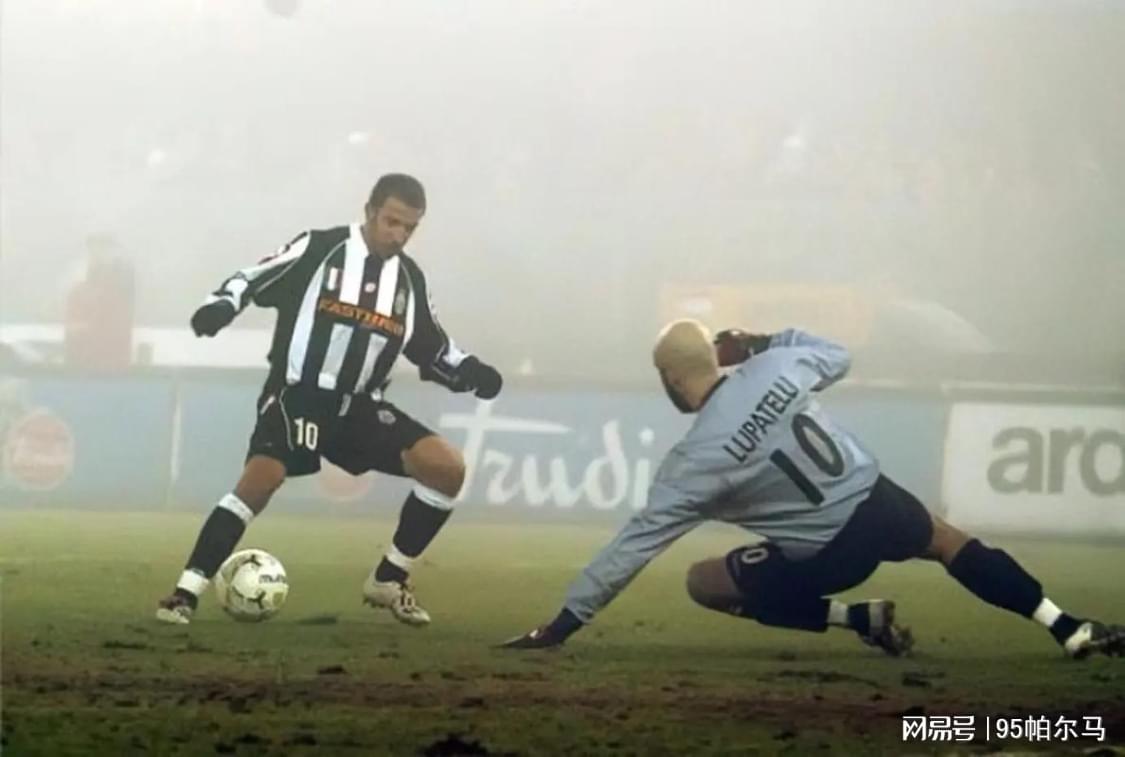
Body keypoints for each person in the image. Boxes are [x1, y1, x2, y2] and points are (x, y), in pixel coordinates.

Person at [501, 320, 1124, 659]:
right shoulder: (774, 366)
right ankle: (1065, 624)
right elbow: (837, 354)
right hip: (877, 499)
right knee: (947, 541)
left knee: (706, 582)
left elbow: (632, 547)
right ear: (717, 357)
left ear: (669, 377)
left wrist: (563, 623)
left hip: (830, 555)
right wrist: (761, 342)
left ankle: (852, 616)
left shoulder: (692, 463)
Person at [157, 173, 502, 626]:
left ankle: (388, 579)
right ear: (370, 211)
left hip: (360, 408)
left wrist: (471, 372)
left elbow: (432, 347)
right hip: (298, 394)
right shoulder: (320, 248)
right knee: (261, 481)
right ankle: (185, 594)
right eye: (392, 222)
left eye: (409, 228)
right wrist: (221, 305)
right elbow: (252, 277)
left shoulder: (409, 281)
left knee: (447, 468)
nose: (399, 235)